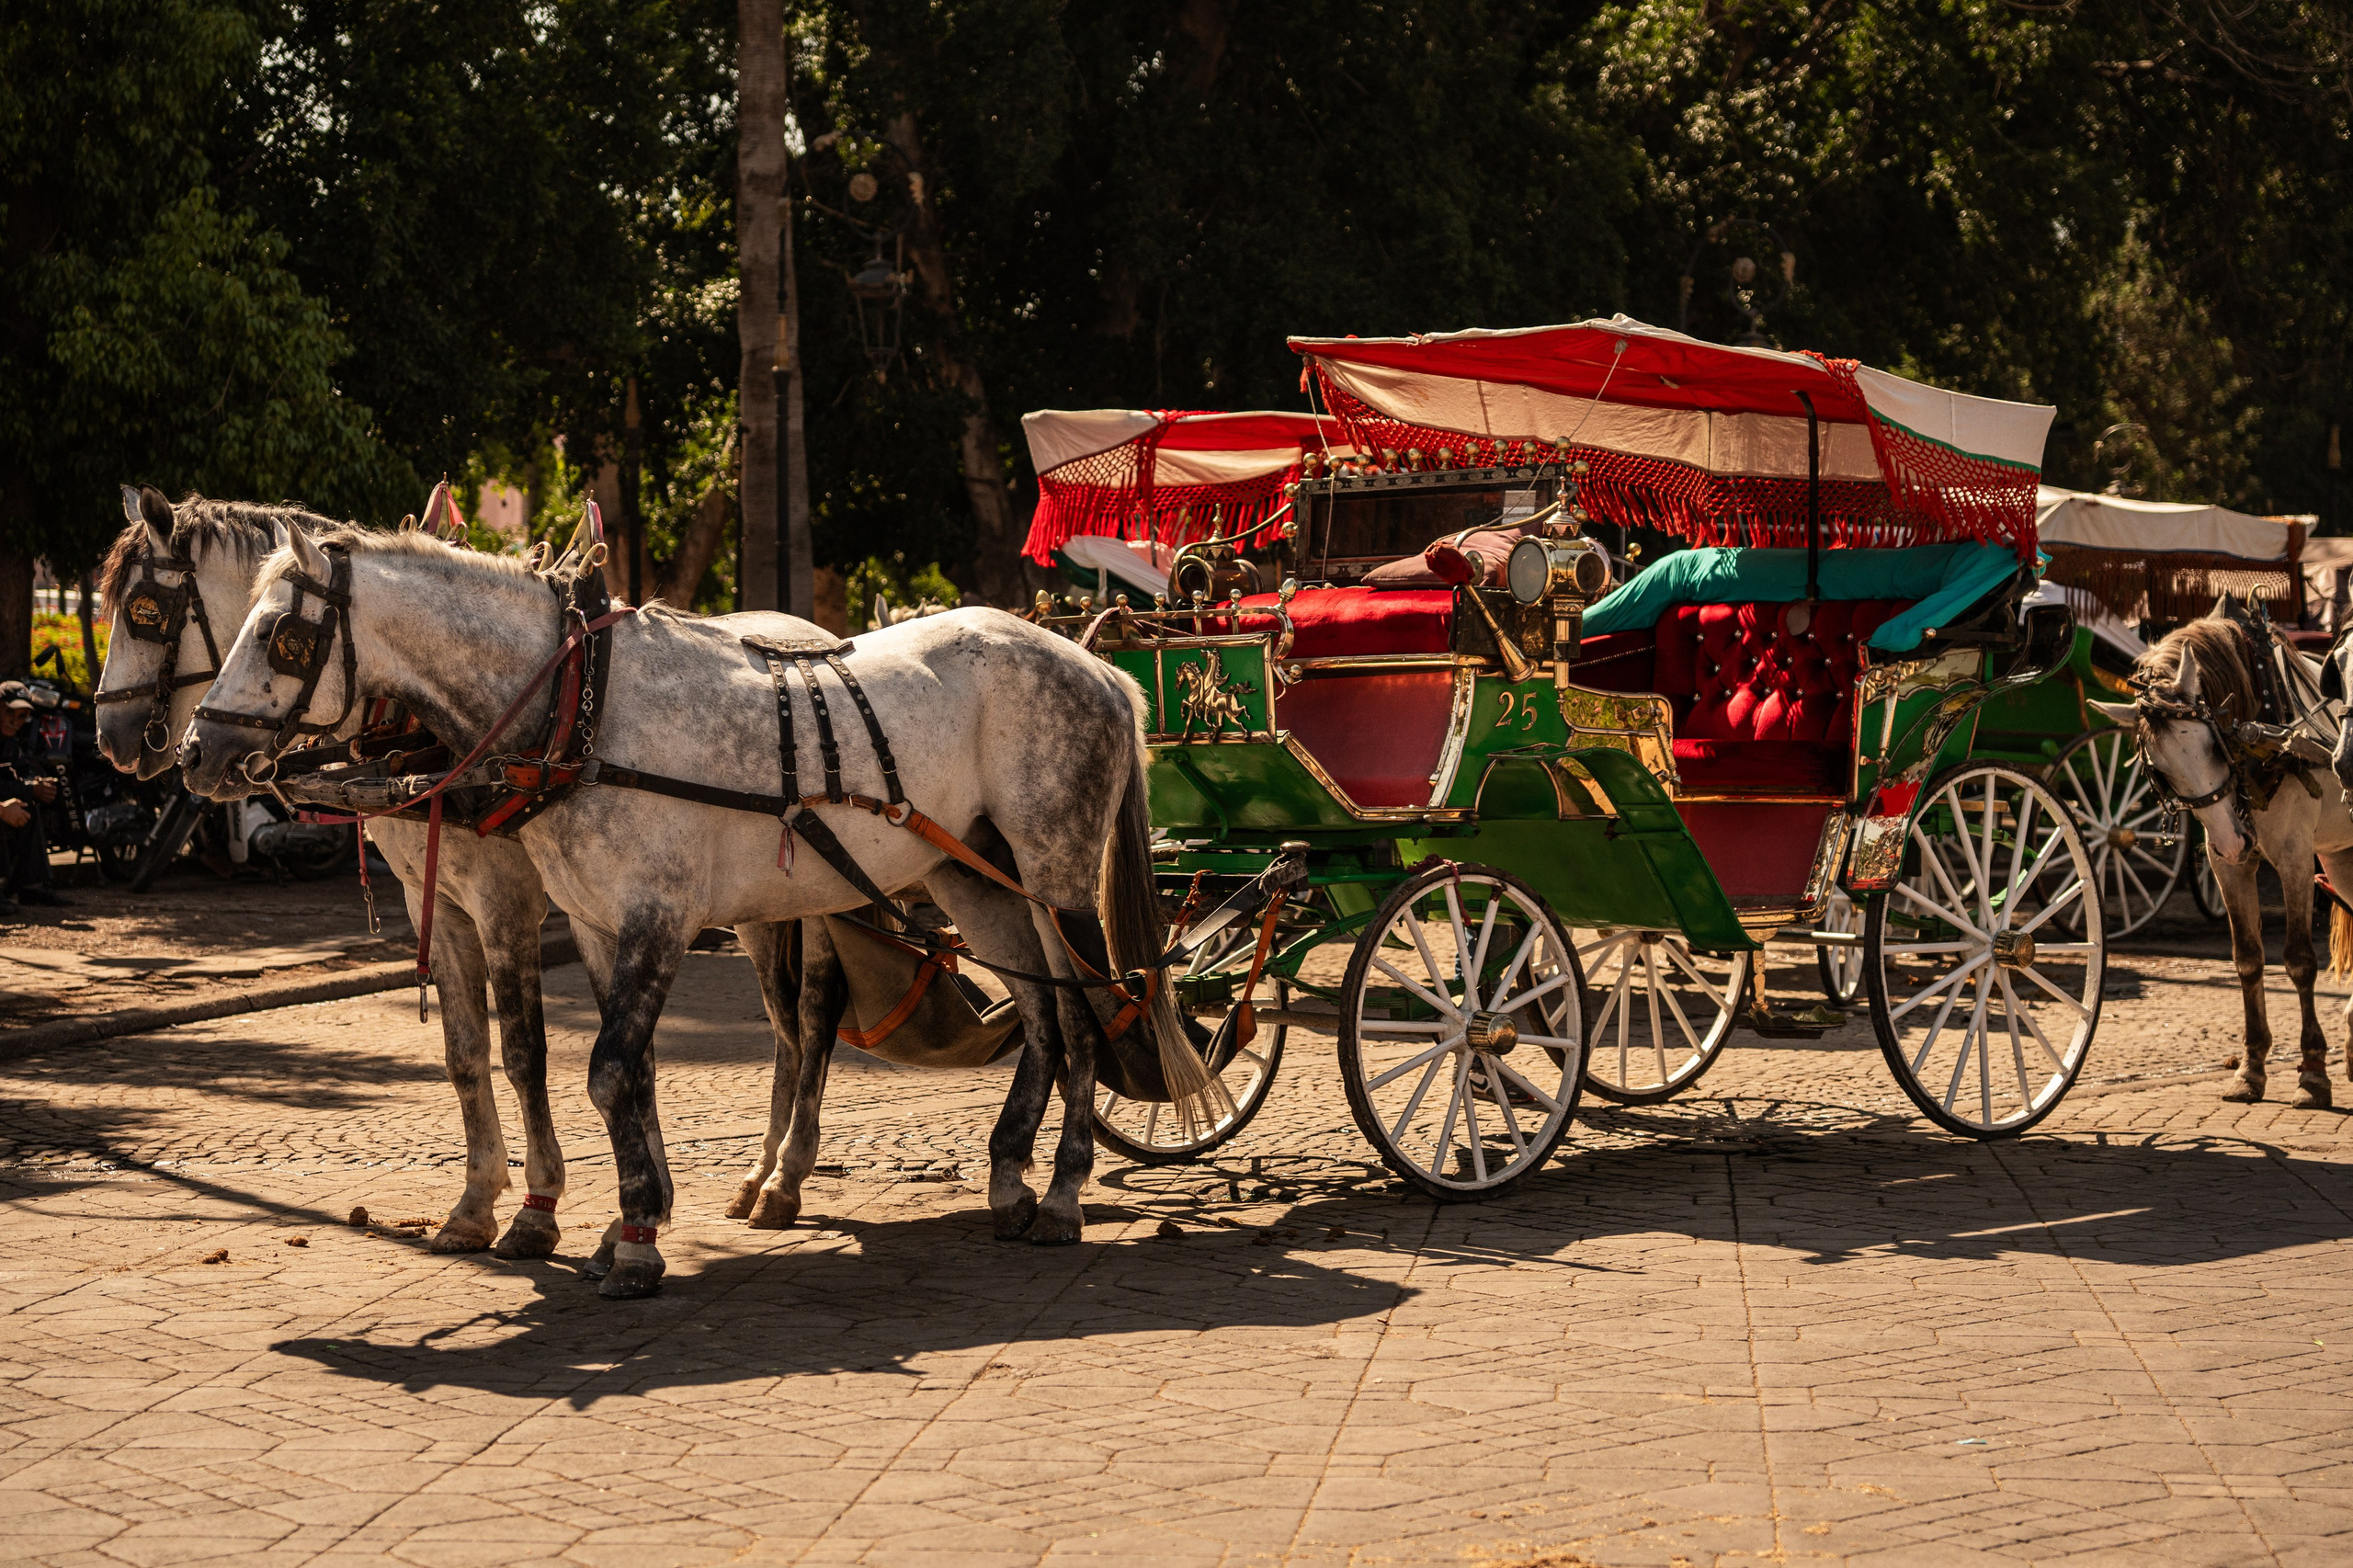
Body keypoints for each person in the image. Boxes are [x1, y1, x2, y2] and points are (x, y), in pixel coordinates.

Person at [0, 681, 67, 913]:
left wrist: (36, 785)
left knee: (26, 806)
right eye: (9, 712)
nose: (14, 721)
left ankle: (30, 885)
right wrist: (3, 808)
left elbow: (22, 771)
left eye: (21, 717)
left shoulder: (9, 742)